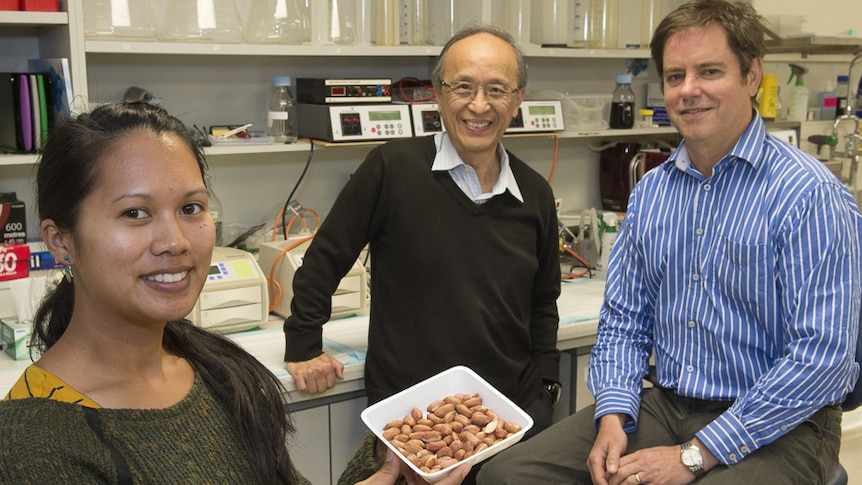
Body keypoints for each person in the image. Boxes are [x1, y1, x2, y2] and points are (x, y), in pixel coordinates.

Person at [477, 1, 862, 484]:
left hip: (785, 423)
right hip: (667, 403)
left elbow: (820, 361)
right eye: (675, 75)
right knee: (507, 476)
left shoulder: (810, 195)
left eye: (710, 71)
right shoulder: (653, 193)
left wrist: (694, 455)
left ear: (751, 76)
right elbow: (624, 320)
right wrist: (613, 414)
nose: (689, 90)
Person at [0, 101, 469, 485]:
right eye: (135, 214)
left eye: (190, 207)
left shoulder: (213, 367)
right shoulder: (34, 441)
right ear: (61, 240)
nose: (175, 241)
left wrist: (390, 465)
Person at [283, 23, 562, 484]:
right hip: (415, 419)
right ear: (437, 93)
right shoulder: (392, 169)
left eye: (497, 89)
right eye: (463, 87)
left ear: (517, 100)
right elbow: (325, 258)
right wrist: (303, 342)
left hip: (507, 415)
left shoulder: (533, 192)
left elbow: (542, 301)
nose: (479, 105)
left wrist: (546, 388)